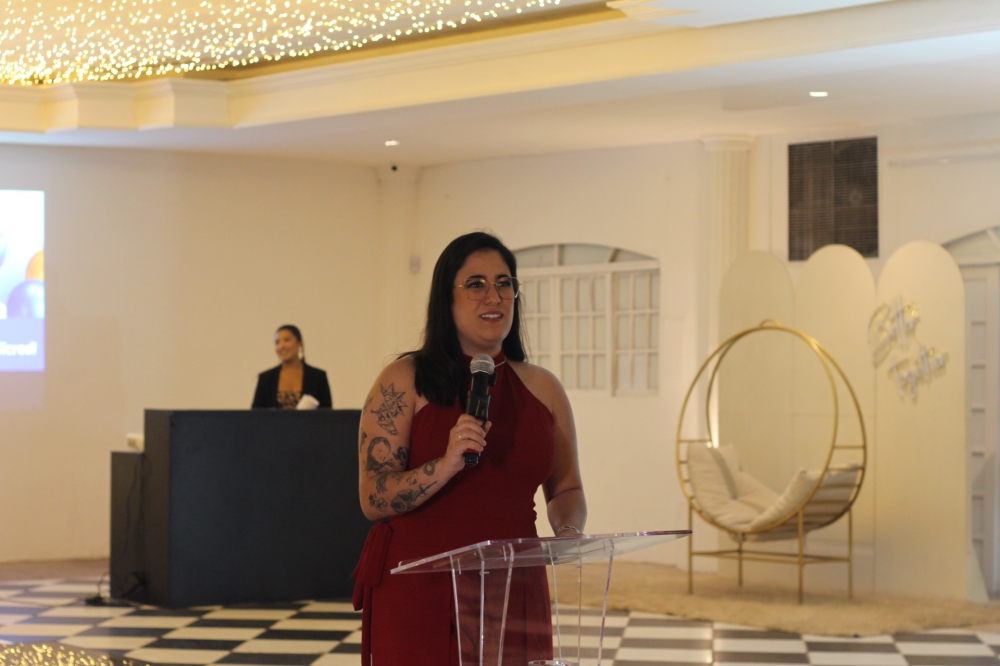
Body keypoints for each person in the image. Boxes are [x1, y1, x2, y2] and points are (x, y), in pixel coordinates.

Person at [352, 232, 587, 665]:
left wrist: (569, 533)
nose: (493, 296)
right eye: (475, 284)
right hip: (421, 586)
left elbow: (567, 489)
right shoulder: (403, 380)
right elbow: (373, 497)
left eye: (504, 283)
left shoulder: (543, 388)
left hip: (514, 583)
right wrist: (445, 465)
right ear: (447, 298)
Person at [251, 325, 333, 409]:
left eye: (287, 340)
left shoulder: (318, 377)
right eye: (277, 342)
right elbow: (255, 414)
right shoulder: (266, 378)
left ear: (300, 343)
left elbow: (327, 413)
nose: (281, 346)